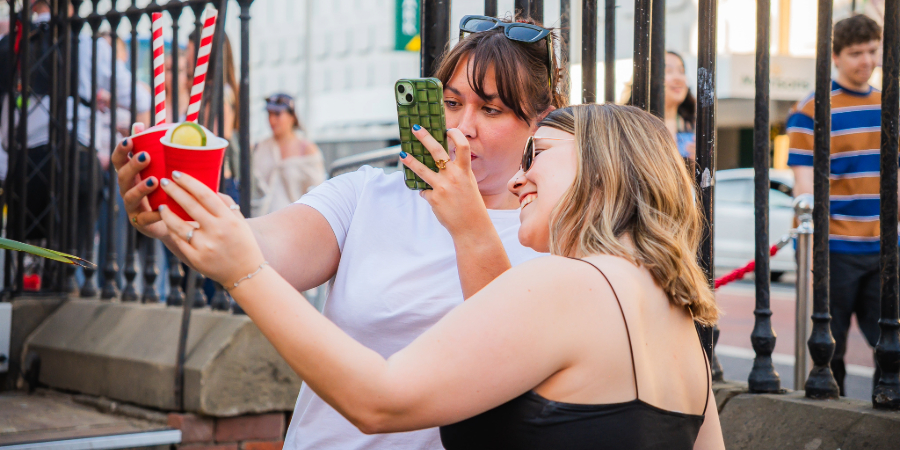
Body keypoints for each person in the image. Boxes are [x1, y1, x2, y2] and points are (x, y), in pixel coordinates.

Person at [153, 103, 725, 449]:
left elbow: (380, 400)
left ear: (604, 172)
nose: (522, 179)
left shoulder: (566, 282)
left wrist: (244, 271)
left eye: (539, 154)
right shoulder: (680, 328)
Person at [114, 14, 567, 449]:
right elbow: (261, 249)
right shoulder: (369, 192)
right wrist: (174, 212)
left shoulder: (553, 236)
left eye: (491, 109)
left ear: (539, 121)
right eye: (451, 102)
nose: (462, 129)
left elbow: (506, 357)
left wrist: (469, 225)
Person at [787, 14, 885, 395]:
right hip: (835, 250)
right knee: (830, 350)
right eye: (855, 53)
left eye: (872, 51)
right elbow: (803, 183)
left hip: (885, 247)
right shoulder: (811, 109)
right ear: (836, 56)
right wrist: (809, 250)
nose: (866, 61)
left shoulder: (888, 103)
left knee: (890, 347)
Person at [250, 93, 325, 217]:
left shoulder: (307, 150)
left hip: (295, 223)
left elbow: (317, 193)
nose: (271, 120)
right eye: (269, 114)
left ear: (292, 117)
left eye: (277, 114)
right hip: (262, 221)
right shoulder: (259, 147)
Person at [664, 51, 696, 160]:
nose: (678, 78)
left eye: (682, 71)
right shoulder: (635, 125)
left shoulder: (693, 125)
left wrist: (697, 163)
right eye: (668, 71)